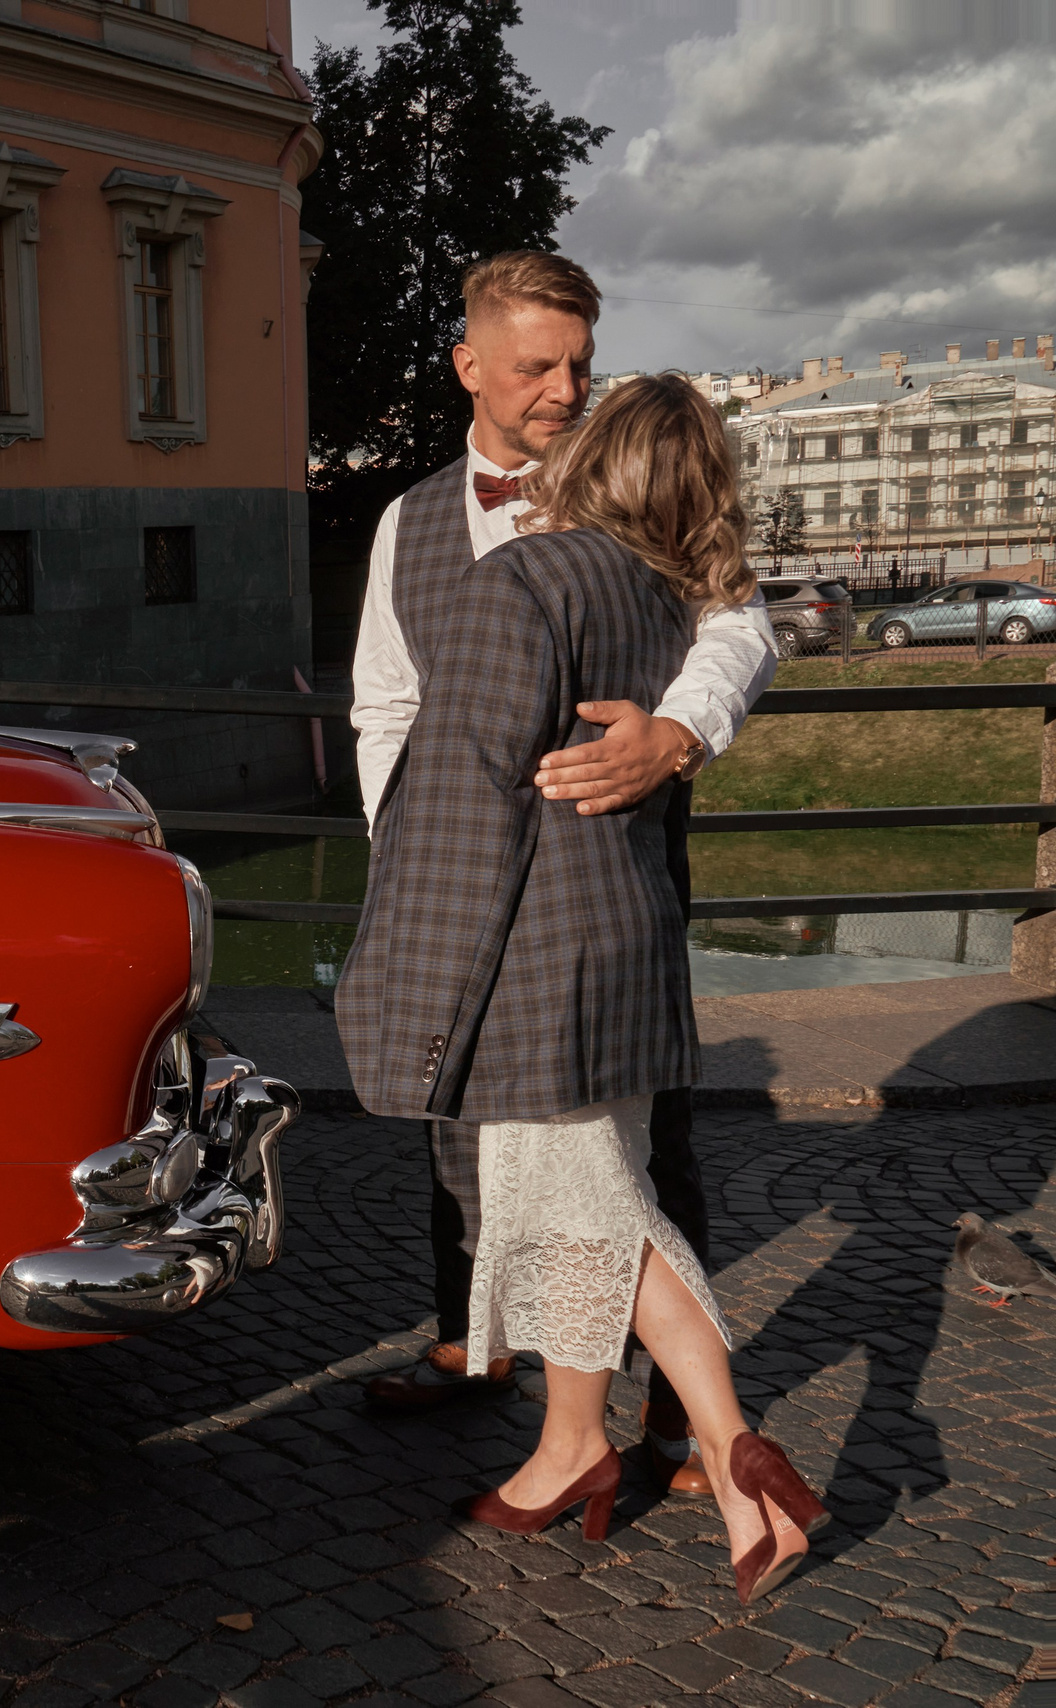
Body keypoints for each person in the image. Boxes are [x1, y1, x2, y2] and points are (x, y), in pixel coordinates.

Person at [336, 375, 827, 1602]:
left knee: (596, 1208)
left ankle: (732, 1459)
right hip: (622, 936)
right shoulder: (671, 596)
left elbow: (461, 820)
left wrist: (406, 983)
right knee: (577, 1199)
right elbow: (734, 635)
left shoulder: (517, 583)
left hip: (529, 955)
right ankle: (570, 1446)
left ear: (592, 456)